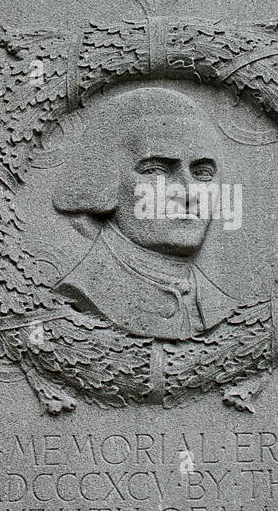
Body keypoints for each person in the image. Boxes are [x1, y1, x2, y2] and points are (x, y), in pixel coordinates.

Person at [52, 85, 235, 341]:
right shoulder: (83, 292)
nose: (189, 193)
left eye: (202, 173)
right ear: (105, 182)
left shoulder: (221, 306)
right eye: (156, 170)